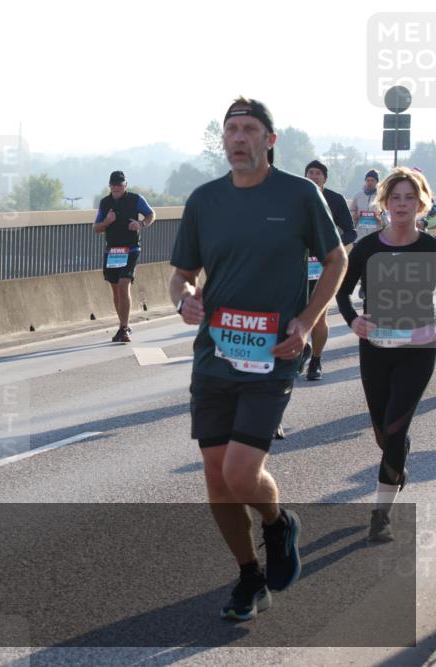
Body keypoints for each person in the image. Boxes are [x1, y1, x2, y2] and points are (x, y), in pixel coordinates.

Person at [169, 97, 346, 621]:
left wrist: (306, 320)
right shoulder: (204, 200)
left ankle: (277, 521)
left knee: (241, 472)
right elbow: (181, 274)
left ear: (269, 140)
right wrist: (184, 299)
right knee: (216, 477)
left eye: (249, 129)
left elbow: (336, 259)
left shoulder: (299, 194)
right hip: (215, 355)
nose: (238, 138)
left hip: (273, 354)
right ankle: (249, 576)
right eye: (231, 130)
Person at [335, 167, 436, 542]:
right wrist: (353, 321)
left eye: (410, 197)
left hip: (419, 349)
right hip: (376, 349)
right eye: (396, 197)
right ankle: (397, 456)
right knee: (383, 434)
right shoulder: (368, 248)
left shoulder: (431, 248)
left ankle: (381, 515)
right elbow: (341, 291)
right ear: (385, 202)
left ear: (421, 203)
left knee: (395, 427)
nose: (403, 204)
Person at [301, 159, 357, 381]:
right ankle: (303, 348)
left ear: (325, 178)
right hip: (297, 266)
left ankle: (316, 361)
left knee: (318, 315)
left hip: (323, 267)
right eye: (310, 172)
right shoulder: (295, 197)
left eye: (318, 173)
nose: (314, 176)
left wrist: (331, 247)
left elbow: (351, 232)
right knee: (293, 314)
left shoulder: (335, 199)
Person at [93, 170, 156, 343]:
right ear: (110, 186)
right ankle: (122, 326)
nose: (117, 188)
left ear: (125, 185)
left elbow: (151, 214)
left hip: (131, 249)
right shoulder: (105, 203)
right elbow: (96, 228)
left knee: (123, 285)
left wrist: (141, 224)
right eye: (114, 185)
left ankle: (124, 327)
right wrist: (107, 221)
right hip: (112, 251)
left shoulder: (136, 199)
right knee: (115, 290)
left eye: (120, 185)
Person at [351, 169, 383, 239]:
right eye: (368, 180)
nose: (370, 183)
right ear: (365, 181)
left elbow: (387, 217)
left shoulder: (381, 197)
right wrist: (356, 216)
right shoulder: (358, 196)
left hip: (376, 236)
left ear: (377, 182)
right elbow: (351, 213)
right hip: (360, 236)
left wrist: (378, 217)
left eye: (372, 180)